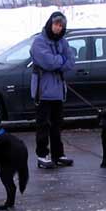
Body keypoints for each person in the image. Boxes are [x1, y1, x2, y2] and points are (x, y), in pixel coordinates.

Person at [29, 11, 76, 169]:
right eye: (56, 24)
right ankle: (42, 155)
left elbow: (71, 61)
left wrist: (59, 61)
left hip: (58, 91)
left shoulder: (63, 42)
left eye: (61, 25)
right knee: (43, 125)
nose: (58, 28)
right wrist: (60, 60)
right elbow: (47, 62)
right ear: (50, 23)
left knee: (57, 124)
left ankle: (58, 154)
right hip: (43, 91)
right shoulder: (39, 42)